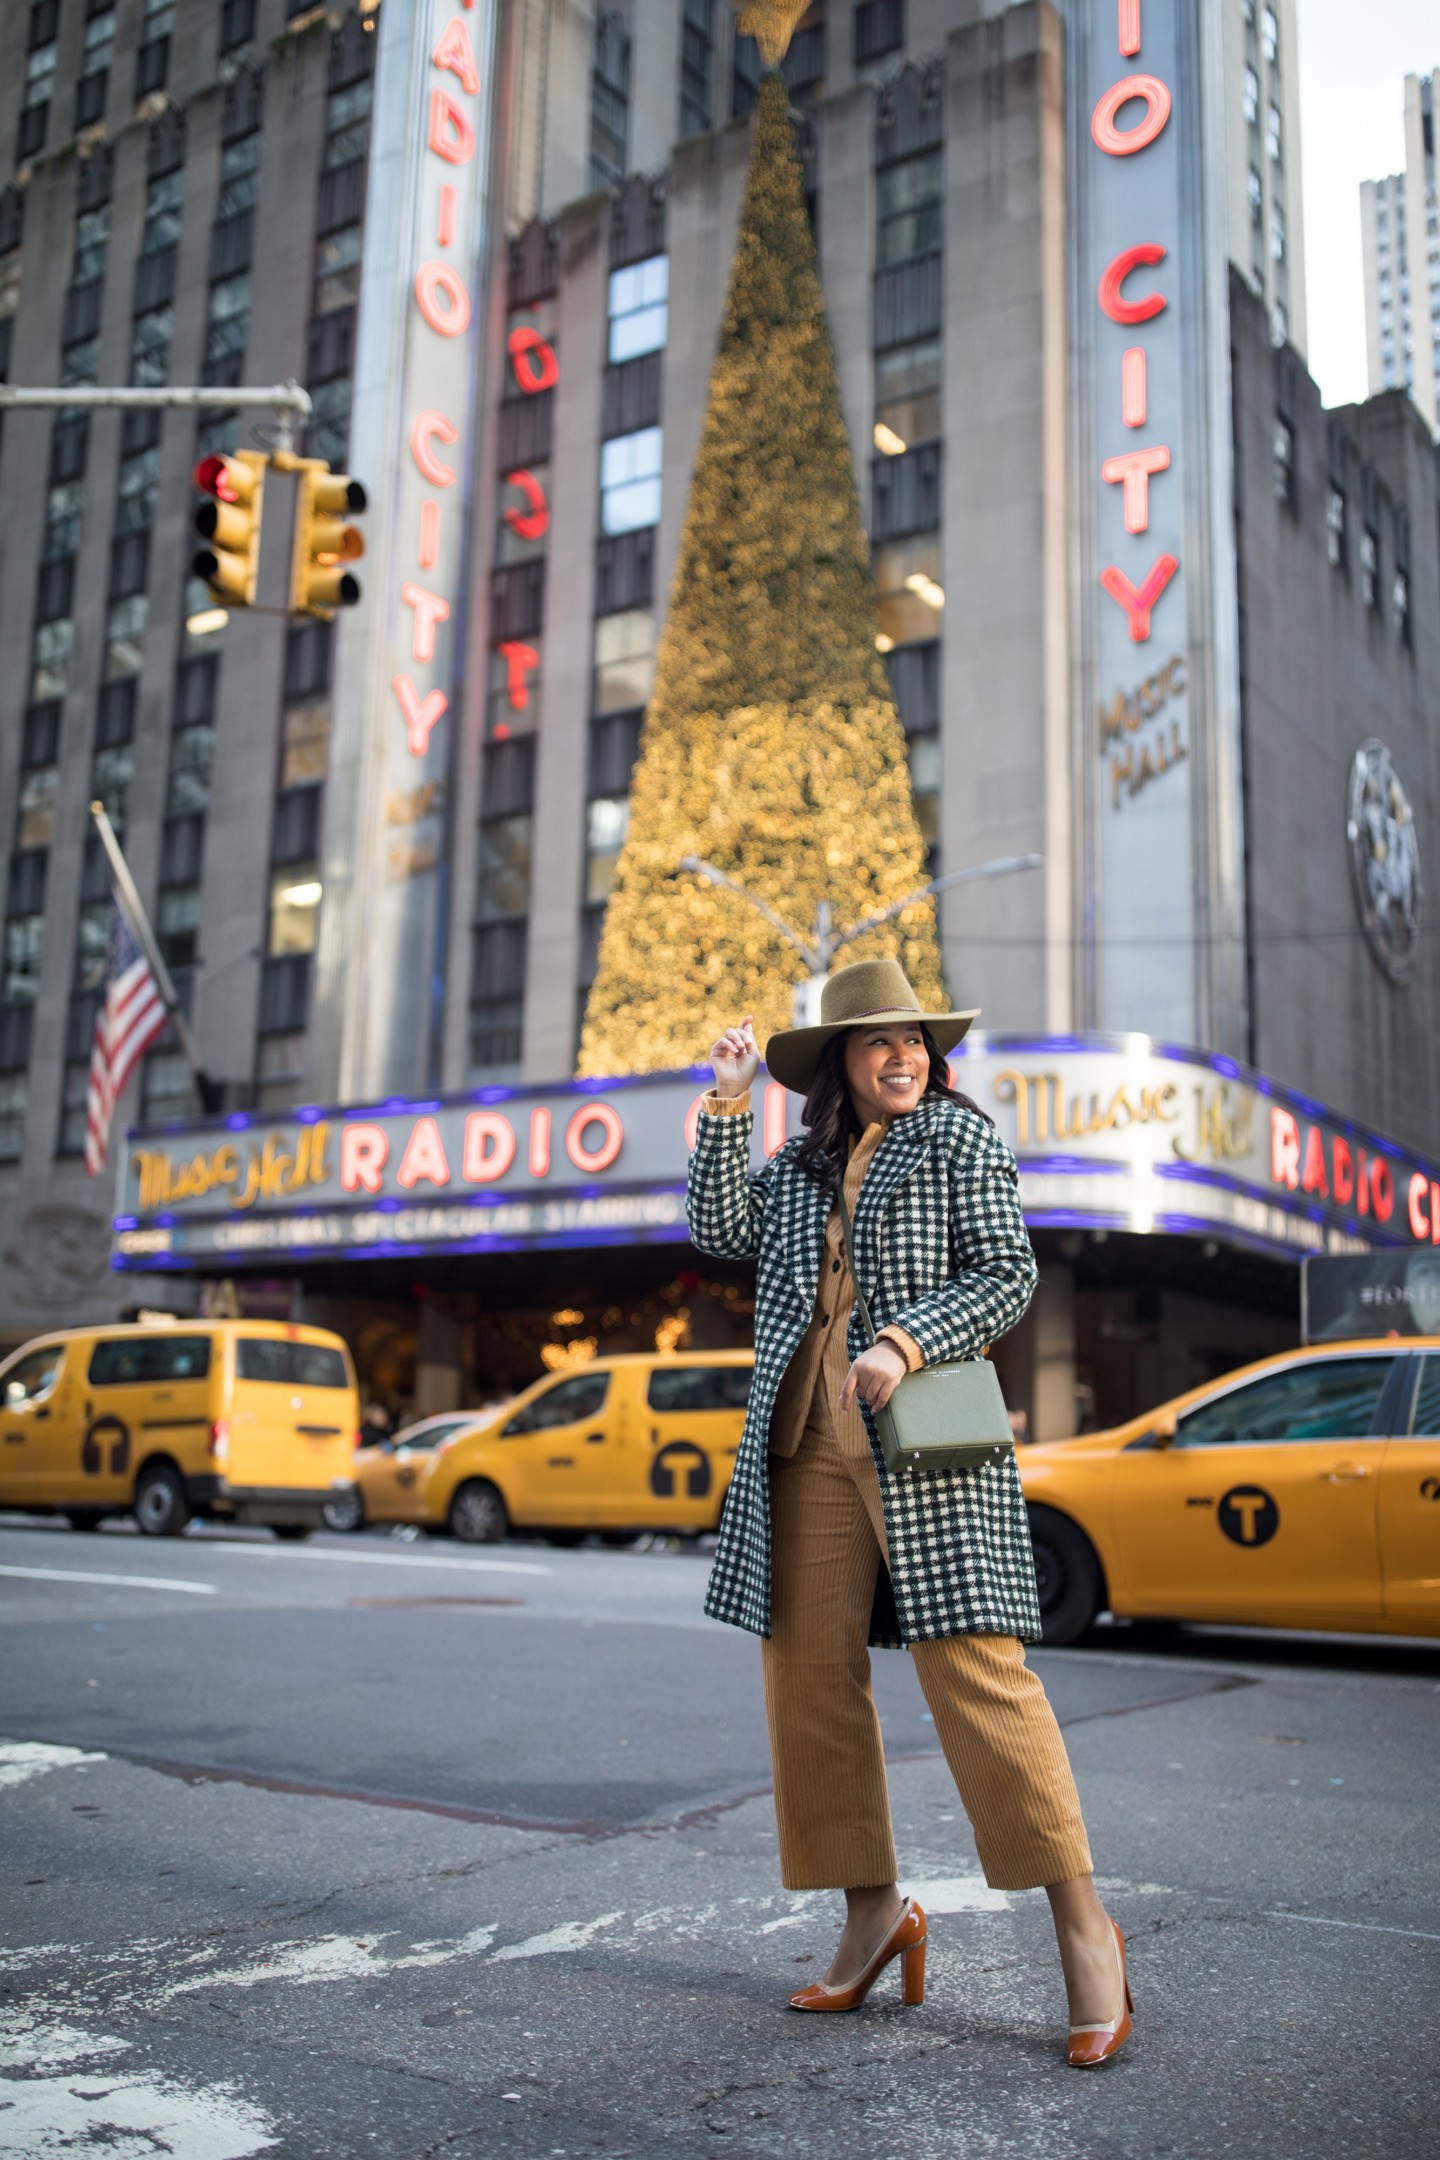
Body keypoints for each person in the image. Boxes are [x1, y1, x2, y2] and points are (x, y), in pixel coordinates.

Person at [687, 957, 1133, 2066]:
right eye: (879, 1041)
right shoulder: (794, 1167)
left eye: (916, 1041)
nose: (903, 1057)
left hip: (926, 1441)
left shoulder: (958, 1141)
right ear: (838, 1061)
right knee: (809, 1686)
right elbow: (716, 1233)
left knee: (978, 1674)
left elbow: (1007, 1274)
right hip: (802, 1443)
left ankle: (1087, 1930)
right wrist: (731, 1104)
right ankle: (872, 1910)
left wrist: (906, 1337)